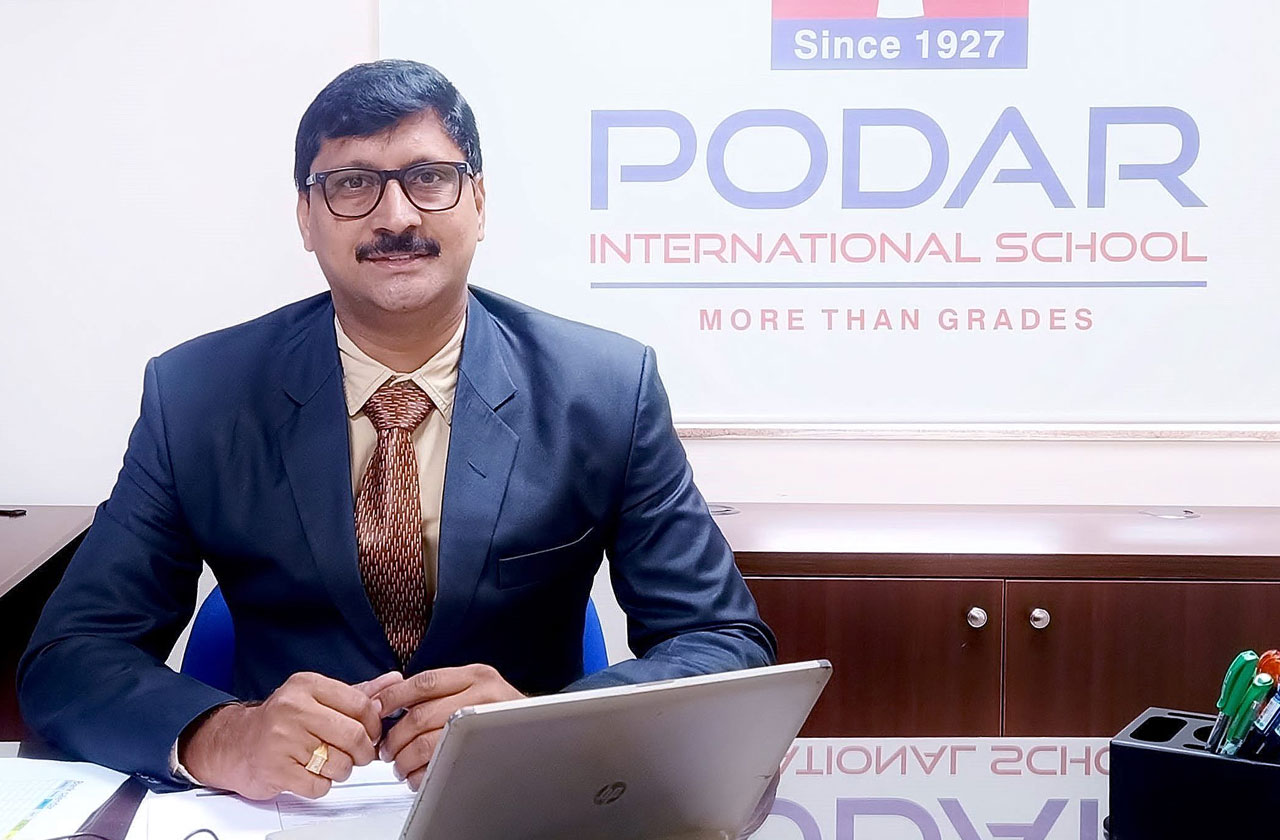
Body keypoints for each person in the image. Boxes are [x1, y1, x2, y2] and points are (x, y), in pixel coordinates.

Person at [17, 59, 775, 804]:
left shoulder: (604, 388)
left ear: (479, 200)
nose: (397, 217)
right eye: (352, 184)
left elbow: (723, 643)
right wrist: (223, 735)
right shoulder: (197, 395)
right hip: (286, 810)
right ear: (306, 217)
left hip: (521, 803)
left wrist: (547, 729)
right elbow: (70, 656)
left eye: (429, 177)